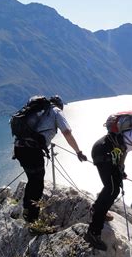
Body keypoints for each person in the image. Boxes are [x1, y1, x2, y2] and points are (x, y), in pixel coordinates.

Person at [13, 95, 87, 223]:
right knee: (38, 183)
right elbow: (67, 132)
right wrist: (78, 151)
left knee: (32, 179)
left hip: (19, 148)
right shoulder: (56, 111)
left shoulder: (35, 110)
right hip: (32, 151)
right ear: (60, 106)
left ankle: (27, 207)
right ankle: (32, 218)